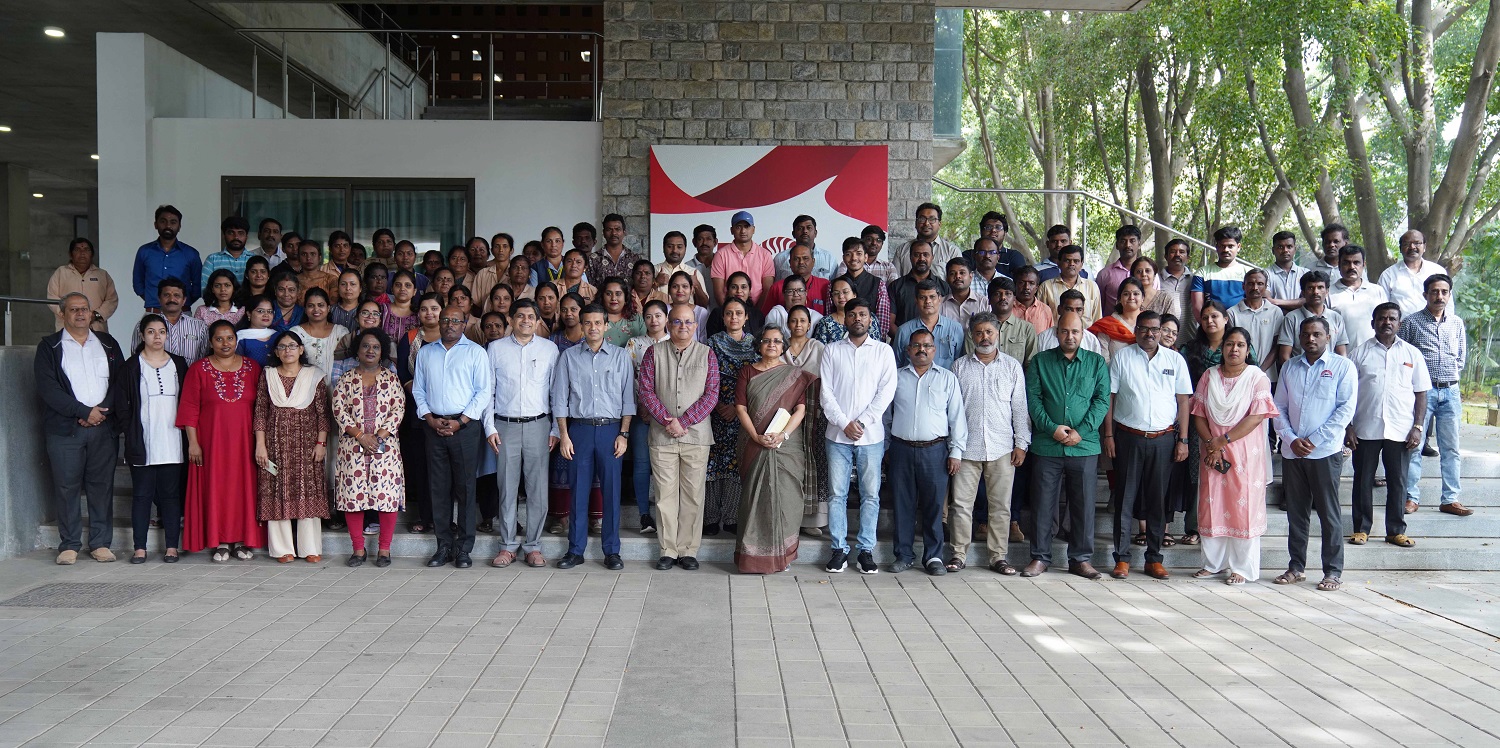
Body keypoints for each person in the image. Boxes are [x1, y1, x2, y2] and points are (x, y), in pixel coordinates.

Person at [1102, 311, 1191, 580]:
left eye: (1155, 329)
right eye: (1144, 329)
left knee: (1158, 500)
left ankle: (1154, 558)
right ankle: (1122, 559)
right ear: (1137, 330)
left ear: (1162, 331)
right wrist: (1108, 436)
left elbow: (1184, 401)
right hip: (1128, 437)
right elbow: (1110, 398)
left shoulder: (1175, 360)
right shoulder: (1122, 357)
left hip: (1163, 439)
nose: (1150, 334)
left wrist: (1183, 440)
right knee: (1125, 499)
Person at [36, 293, 125, 565]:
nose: (79, 314)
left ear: (91, 313)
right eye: (73, 310)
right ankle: (70, 544)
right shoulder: (49, 347)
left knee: (101, 486)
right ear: (62, 314)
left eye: (84, 309)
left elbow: (120, 382)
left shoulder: (108, 344)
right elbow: (49, 390)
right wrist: (84, 412)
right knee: (66, 487)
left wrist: (101, 412)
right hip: (65, 431)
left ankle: (100, 543)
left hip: (103, 427)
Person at [1022, 311, 1110, 580]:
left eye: (1075, 332)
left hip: (1084, 447)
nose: (1069, 336)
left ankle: (1080, 559)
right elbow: (1033, 400)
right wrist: (1052, 428)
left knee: (1083, 504)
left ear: (1082, 334)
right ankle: (1040, 557)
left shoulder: (1096, 363)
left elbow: (1101, 401)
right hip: (1047, 446)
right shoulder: (1040, 362)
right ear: (1056, 332)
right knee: (1042, 504)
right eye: (1064, 331)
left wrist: (1080, 432)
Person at [1274, 317, 1357, 591]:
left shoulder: (1343, 367)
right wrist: (1291, 438)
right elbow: (1279, 408)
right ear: (1299, 337)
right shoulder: (1290, 367)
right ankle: (1296, 567)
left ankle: (1332, 571)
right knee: (1296, 513)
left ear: (1328, 336)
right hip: (1293, 452)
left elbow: (1344, 410)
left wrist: (1313, 440)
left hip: (1325, 452)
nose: (1311, 339)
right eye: (1306, 334)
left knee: (1328, 514)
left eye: (1317, 334)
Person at [1191, 327, 1279, 584]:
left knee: (1243, 507)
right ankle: (1212, 564)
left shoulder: (1256, 377)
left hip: (1244, 453)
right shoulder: (1209, 376)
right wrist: (1211, 443)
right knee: (1212, 504)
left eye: (1240, 345)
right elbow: (1198, 413)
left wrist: (1223, 440)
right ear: (1222, 348)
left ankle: (1242, 568)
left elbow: (1257, 416)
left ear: (1248, 349)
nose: (1234, 349)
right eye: (1230, 344)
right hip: (1212, 453)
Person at [637, 304, 720, 569]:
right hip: (662, 438)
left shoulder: (707, 354)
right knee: (664, 495)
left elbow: (712, 394)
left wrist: (683, 421)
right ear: (668, 325)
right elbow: (646, 391)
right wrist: (666, 420)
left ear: (696, 326)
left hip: (696, 437)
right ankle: (668, 550)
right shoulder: (653, 353)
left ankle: (688, 550)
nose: (683, 327)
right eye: (677, 322)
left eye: (688, 322)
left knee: (694, 495)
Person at [552, 303, 634, 571]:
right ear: (581, 324)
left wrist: (623, 434)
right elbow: (560, 400)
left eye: (598, 323)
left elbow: (628, 400)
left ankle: (611, 551)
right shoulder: (569, 357)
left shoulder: (621, 357)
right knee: (578, 491)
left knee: (611, 492)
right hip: (580, 430)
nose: (593, 328)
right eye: (588, 323)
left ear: (606, 325)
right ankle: (575, 550)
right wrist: (564, 435)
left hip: (611, 430)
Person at [819, 298, 898, 574]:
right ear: (846, 318)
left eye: (862, 314)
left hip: (871, 434)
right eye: (852, 315)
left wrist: (861, 422)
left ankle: (866, 550)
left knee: (870, 495)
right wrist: (844, 423)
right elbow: (826, 394)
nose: (857, 319)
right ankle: (839, 549)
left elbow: (886, 393)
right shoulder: (831, 351)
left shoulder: (883, 352)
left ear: (870, 318)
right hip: (837, 435)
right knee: (837, 494)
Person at [412, 304, 494, 569]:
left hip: (465, 427)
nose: (449, 324)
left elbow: (483, 392)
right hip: (433, 425)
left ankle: (464, 549)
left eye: (455, 320)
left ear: (465, 322)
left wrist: (460, 421)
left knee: (466, 488)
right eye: (445, 319)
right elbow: (418, 390)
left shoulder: (476, 352)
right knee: (438, 487)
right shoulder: (426, 352)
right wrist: (430, 418)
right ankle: (443, 546)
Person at [948, 312, 1029, 575]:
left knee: (1001, 506)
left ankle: (998, 557)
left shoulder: (1012, 367)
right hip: (966, 448)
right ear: (972, 336)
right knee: (961, 506)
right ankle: (958, 554)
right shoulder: (959, 367)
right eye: (979, 332)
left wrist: (1021, 443)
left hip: (1002, 447)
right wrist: (954, 448)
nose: (985, 337)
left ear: (998, 334)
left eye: (989, 332)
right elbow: (953, 411)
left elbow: (1019, 408)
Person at [731, 325, 817, 573]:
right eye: (767, 340)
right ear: (759, 344)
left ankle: (783, 556)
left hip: (785, 447)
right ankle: (754, 557)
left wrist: (783, 434)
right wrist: (755, 436)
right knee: (755, 500)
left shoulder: (794, 374)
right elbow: (740, 408)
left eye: (777, 341)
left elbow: (800, 409)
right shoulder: (748, 371)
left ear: (784, 345)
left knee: (786, 500)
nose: (771, 345)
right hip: (753, 444)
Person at [178, 320, 264, 562]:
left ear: (237, 341)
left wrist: (261, 443)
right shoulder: (198, 369)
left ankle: (241, 540)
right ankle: (221, 542)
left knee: (242, 490)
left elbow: (262, 408)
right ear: (210, 342)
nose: (225, 343)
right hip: (211, 443)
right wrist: (193, 443)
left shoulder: (252, 367)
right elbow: (189, 409)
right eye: (219, 339)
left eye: (230, 338)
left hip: (244, 442)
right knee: (218, 490)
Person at [484, 300, 560, 569]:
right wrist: (489, 427)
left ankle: (533, 546)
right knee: (506, 487)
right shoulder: (495, 349)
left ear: (538, 320)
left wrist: (555, 428)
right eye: (520, 316)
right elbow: (488, 391)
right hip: (504, 426)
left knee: (538, 489)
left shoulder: (550, 349)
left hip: (539, 425)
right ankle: (507, 545)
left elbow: (555, 392)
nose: (526, 320)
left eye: (531, 316)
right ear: (511, 319)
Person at [887, 329, 967, 576]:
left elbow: (957, 417)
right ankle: (903, 555)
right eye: (916, 346)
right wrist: (886, 448)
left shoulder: (947, 378)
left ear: (935, 350)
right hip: (901, 449)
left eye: (927, 346)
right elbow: (885, 416)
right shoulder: (896, 378)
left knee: (934, 507)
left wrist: (956, 452)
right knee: (903, 505)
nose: (922, 350)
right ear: (908, 350)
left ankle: (933, 557)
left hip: (935, 451)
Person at [1348, 303, 1429, 548]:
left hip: (1401, 429)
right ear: (1373, 323)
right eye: (1382, 318)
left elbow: (1421, 393)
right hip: (1365, 428)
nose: (1387, 322)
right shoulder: (1359, 353)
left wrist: (1418, 426)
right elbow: (1347, 394)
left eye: (1392, 318)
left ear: (1399, 324)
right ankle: (1361, 529)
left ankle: (1395, 530)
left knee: (1398, 480)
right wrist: (1348, 426)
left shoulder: (1412, 354)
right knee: (1363, 480)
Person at [253, 331, 331, 563]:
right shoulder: (267, 376)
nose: (288, 350)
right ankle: (282, 549)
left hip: (307, 446)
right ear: (276, 352)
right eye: (282, 346)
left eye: (292, 346)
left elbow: (322, 414)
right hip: (274, 444)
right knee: (277, 489)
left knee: (308, 489)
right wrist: (260, 445)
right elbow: (260, 412)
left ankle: (310, 548)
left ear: (301, 350)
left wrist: (321, 443)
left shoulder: (314, 376)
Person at [332, 328, 405, 568]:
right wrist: (361, 436)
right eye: (365, 346)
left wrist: (379, 437)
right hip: (353, 447)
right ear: (357, 350)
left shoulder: (391, 379)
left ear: (382, 351)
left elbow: (398, 409)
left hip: (385, 448)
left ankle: (384, 550)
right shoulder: (346, 379)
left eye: (375, 347)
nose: (370, 350)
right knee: (353, 498)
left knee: (387, 498)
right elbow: (339, 410)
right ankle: (358, 550)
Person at [120, 314, 188, 563]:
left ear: (167, 335)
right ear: (142, 335)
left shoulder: (179, 364)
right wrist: (130, 434)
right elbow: (123, 406)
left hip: (173, 439)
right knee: (142, 495)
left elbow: (189, 402)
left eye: (161, 331)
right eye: (151, 331)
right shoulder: (131, 366)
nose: (157, 336)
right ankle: (140, 547)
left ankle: (172, 546)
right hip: (144, 441)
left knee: (171, 495)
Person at [1400, 274, 1468, 516]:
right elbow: (1403, 357)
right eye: (1434, 291)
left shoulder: (1457, 323)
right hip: (1422, 393)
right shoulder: (1411, 323)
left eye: (1444, 292)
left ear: (1449, 295)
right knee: (1414, 446)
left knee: (1451, 448)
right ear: (1425, 294)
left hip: (1450, 391)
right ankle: (1411, 498)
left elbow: (1460, 358)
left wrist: (1448, 378)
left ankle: (1450, 498)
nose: (1439, 296)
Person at [704, 298, 759, 536]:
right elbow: (704, 377)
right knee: (713, 464)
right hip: (715, 411)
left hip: (743, 412)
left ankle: (733, 516)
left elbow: (757, 380)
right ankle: (710, 518)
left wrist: (737, 407)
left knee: (737, 464)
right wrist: (717, 405)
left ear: (746, 317)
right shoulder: (712, 343)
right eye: (729, 313)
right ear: (723, 317)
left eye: (738, 313)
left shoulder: (755, 345)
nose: (734, 317)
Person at [781, 306, 829, 537]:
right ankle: (786, 515)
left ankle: (813, 519)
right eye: (794, 320)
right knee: (788, 461)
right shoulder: (780, 347)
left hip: (814, 412)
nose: (798, 324)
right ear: (788, 324)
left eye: (803, 321)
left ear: (810, 324)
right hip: (783, 413)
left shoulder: (818, 348)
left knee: (814, 460)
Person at [625, 301, 670, 534]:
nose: (654, 320)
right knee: (641, 465)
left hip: (669, 416)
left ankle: (666, 515)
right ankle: (644, 515)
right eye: (649, 316)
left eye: (658, 315)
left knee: (665, 467)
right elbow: (628, 378)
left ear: (666, 317)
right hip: (641, 413)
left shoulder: (674, 343)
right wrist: (640, 406)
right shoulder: (635, 344)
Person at [133, 205, 201, 308]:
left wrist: (181, 304)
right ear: (156, 224)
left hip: (182, 313)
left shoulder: (191, 254)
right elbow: (138, 283)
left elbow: (198, 285)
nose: (168, 225)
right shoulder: (144, 251)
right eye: (163, 221)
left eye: (173, 222)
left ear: (179, 226)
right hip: (154, 312)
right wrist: (153, 300)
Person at [1275, 271, 1349, 364]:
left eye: (1320, 287)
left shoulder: (1336, 318)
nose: (1316, 292)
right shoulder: (1292, 318)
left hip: (1329, 375)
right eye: (1310, 288)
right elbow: (1284, 356)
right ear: (1303, 292)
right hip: (1300, 374)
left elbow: (1342, 353)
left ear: (1327, 291)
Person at [47, 238, 118, 333]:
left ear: (92, 254)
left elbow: (112, 300)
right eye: (77, 249)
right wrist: (68, 313)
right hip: (67, 328)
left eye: (86, 250)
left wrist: (95, 315)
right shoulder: (61, 273)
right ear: (70, 254)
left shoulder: (102, 275)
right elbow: (52, 298)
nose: (82, 253)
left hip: (96, 328)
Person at [1228, 269, 1285, 386]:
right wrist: (1248, 372)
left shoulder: (1275, 312)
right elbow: (1231, 346)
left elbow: (1277, 346)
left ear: (1266, 287)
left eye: (1260, 284)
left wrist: (1259, 371)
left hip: (1268, 376)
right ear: (1243, 286)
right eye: (1250, 283)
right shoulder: (1232, 313)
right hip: (1240, 378)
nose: (1255, 287)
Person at [829, 237, 892, 338]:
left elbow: (883, 322)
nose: (854, 258)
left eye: (859, 253)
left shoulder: (878, 284)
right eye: (849, 254)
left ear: (866, 257)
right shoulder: (834, 285)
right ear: (844, 258)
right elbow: (830, 313)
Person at [893, 280, 965, 369]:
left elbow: (961, 364)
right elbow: (896, 364)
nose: (928, 301)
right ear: (916, 300)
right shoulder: (903, 331)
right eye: (923, 297)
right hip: (913, 381)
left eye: (932, 297)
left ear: (940, 299)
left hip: (945, 381)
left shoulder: (955, 328)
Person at [134, 277, 208, 363]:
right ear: (159, 299)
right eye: (166, 295)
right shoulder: (143, 326)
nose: (172, 299)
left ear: (184, 300)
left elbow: (204, 360)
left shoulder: (199, 327)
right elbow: (136, 358)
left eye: (176, 295)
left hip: (190, 376)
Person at [1327, 245, 1388, 348]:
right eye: (1346, 263)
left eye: (1356, 263)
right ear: (1339, 265)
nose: (1351, 267)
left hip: (1373, 354)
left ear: (1364, 265)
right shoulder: (1328, 293)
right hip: (1340, 357)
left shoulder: (1377, 291)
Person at [712, 211, 776, 306]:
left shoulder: (765, 255)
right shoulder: (721, 255)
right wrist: (729, 312)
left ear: (753, 229)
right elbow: (719, 292)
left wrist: (756, 315)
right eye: (738, 227)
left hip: (758, 312)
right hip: (730, 314)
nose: (743, 231)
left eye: (747, 226)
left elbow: (767, 289)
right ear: (731, 230)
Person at [1191, 226, 1258, 317]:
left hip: (1242, 325)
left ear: (1238, 247)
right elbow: (1197, 307)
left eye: (1230, 246)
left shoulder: (1249, 273)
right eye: (1222, 246)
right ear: (1216, 247)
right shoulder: (1202, 273)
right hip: (1212, 326)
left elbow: (1256, 302)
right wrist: (1207, 326)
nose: (1226, 250)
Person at [1380, 230, 1447, 316]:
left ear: (1424, 247)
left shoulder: (1437, 271)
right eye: (1406, 244)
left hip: (1432, 327)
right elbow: (1382, 307)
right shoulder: (1388, 275)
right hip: (1401, 328)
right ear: (1400, 248)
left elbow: (1448, 305)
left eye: (1417, 243)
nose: (1412, 247)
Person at [290, 288, 348, 385]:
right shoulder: (296, 333)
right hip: (304, 388)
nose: (316, 309)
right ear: (305, 309)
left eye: (321, 305)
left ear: (328, 308)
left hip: (336, 388)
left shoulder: (341, 332)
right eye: (311, 306)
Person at [888, 240, 950, 328]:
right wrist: (904, 338)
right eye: (917, 255)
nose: (921, 259)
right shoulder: (896, 286)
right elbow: (890, 324)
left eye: (926, 254)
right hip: (904, 340)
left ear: (932, 257)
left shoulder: (943, 286)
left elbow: (948, 320)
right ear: (910, 257)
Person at [1037, 290, 1110, 361]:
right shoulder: (1043, 338)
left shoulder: (1091, 340)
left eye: (1078, 310)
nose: (1074, 314)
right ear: (1059, 309)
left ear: (1083, 311)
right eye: (1068, 309)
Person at [892, 203, 962, 277]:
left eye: (932, 219)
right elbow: (896, 283)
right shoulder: (902, 250)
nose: (926, 223)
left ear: (939, 224)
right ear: (916, 223)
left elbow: (957, 283)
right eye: (922, 219)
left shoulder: (952, 252)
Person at [761, 243, 831, 316]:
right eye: (796, 259)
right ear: (790, 263)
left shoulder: (825, 285)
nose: (801, 262)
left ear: (813, 262)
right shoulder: (777, 287)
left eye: (805, 258)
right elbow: (765, 317)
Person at [1038, 245, 1101, 326]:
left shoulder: (1092, 287)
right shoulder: (1046, 287)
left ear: (1081, 264)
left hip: (1086, 337)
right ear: (1058, 263)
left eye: (1076, 261)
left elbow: (1097, 319)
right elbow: (1041, 319)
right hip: (1055, 336)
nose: (1071, 264)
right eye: (1067, 260)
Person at [1089, 277, 1145, 359]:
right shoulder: (1106, 326)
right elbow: (1103, 360)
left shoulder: (1149, 323)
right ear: (1119, 299)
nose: (1131, 297)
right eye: (1126, 294)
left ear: (1143, 298)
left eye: (1136, 294)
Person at [772, 215, 837, 280]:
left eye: (809, 228)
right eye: (800, 228)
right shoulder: (780, 259)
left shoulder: (829, 258)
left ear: (815, 233)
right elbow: (777, 286)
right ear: (793, 234)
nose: (805, 231)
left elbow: (835, 287)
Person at [654, 230, 710, 306]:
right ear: (663, 248)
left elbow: (704, 305)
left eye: (679, 247)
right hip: (659, 317)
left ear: (685, 249)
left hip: (688, 317)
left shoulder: (693, 273)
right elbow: (641, 298)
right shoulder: (653, 271)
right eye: (670, 246)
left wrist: (697, 286)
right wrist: (656, 283)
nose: (675, 250)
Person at [1096, 225, 1142, 314]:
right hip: (1111, 326)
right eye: (1123, 241)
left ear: (1139, 244)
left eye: (1132, 241)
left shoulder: (1148, 274)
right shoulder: (1104, 274)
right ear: (1117, 245)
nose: (1128, 245)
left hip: (1141, 326)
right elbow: (1099, 307)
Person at [1159, 238, 1199, 339]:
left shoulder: (1195, 280)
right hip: (1164, 341)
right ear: (1166, 256)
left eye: (1182, 252)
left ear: (1188, 257)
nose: (1177, 255)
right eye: (1173, 252)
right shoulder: (1156, 280)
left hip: (1190, 339)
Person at [589, 213, 642, 284]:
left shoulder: (635, 259)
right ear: (604, 233)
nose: (614, 233)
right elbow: (588, 288)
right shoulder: (593, 259)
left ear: (624, 232)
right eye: (609, 229)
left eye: (617, 229)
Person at [201, 216, 252, 288]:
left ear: (246, 236)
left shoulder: (254, 259)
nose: (236, 237)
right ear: (224, 235)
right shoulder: (212, 260)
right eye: (231, 233)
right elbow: (205, 289)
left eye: (240, 233)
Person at [941, 257, 990, 329]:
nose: (957, 276)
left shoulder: (984, 303)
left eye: (962, 273)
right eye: (952, 273)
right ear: (947, 279)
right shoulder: (939, 304)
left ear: (971, 277)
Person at [1265, 231, 1309, 311]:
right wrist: (1297, 303)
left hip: (1301, 321)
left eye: (1289, 246)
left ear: (1295, 249)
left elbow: (1307, 300)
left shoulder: (1305, 273)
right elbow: (1266, 302)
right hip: (1274, 321)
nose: (1285, 250)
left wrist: (1275, 301)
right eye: (1280, 247)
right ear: (1273, 250)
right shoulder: (1265, 274)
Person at [600, 277, 646, 346]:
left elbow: (644, 345)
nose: (613, 298)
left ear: (626, 297)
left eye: (618, 294)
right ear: (602, 297)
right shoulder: (595, 320)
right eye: (609, 294)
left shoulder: (637, 319)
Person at [666, 271, 712, 341]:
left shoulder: (701, 313)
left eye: (685, 286)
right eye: (675, 286)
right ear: (669, 290)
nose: (680, 290)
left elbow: (704, 342)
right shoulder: (663, 310)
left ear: (691, 290)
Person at [811, 277, 857, 344]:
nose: (841, 296)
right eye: (836, 293)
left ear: (854, 295)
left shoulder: (867, 318)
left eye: (845, 292)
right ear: (832, 298)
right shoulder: (825, 322)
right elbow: (819, 350)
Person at [235, 296, 278, 365]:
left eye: (270, 311)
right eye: (260, 311)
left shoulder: (277, 335)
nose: (266, 315)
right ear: (249, 313)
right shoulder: (240, 338)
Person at [1011, 265, 1051, 335]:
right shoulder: (1007, 308)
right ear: (1015, 285)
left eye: (1031, 283)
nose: (1026, 287)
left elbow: (1049, 339)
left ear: (1036, 288)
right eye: (1022, 282)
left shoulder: (1045, 310)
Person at [687, 224, 722, 306]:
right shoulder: (686, 268)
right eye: (700, 239)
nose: (704, 243)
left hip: (720, 317)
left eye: (708, 239)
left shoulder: (722, 266)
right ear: (694, 242)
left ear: (715, 242)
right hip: (694, 317)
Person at [384, 271, 420, 341]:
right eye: (398, 285)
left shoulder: (419, 314)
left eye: (408, 285)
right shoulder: (382, 310)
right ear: (392, 289)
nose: (402, 289)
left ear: (414, 291)